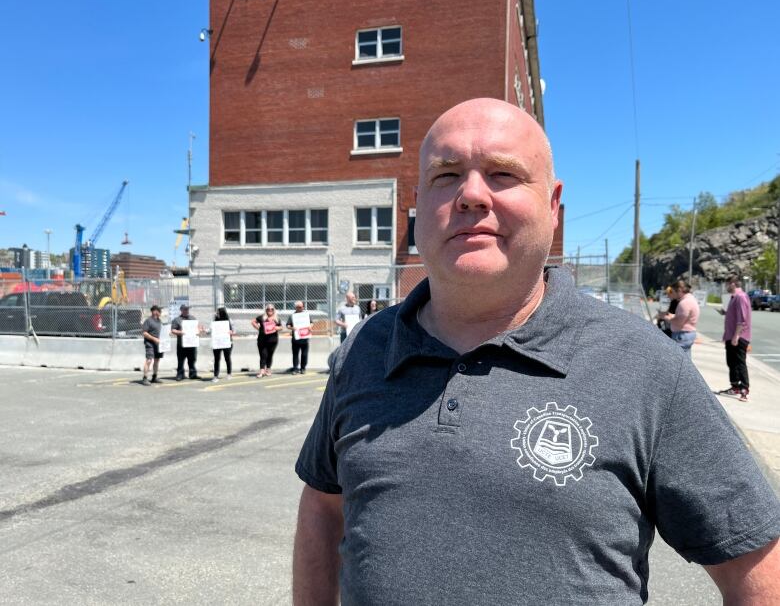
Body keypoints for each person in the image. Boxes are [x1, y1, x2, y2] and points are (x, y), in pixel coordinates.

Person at [293, 99, 780, 605]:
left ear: (552, 205)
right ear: (418, 205)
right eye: (447, 174)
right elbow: (325, 507)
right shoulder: (363, 350)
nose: (471, 194)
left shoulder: (643, 365)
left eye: (503, 173)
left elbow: (756, 569)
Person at [716, 274, 753, 401]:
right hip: (731, 335)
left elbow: (742, 320)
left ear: (733, 283)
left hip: (738, 336)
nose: (726, 286)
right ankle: (735, 386)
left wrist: (736, 336)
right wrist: (725, 312)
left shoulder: (740, 297)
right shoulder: (734, 297)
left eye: (727, 283)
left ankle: (744, 389)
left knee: (739, 363)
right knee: (731, 363)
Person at [662, 279, 699, 354]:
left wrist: (664, 317)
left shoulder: (684, 303)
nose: (673, 294)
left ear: (679, 290)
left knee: (677, 360)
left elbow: (679, 322)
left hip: (682, 335)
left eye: (673, 291)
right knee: (685, 360)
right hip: (686, 334)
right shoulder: (691, 299)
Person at [252, 303, 282, 377]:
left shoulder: (277, 318)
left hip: (273, 340)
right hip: (262, 340)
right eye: (268, 309)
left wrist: (277, 328)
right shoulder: (262, 317)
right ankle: (262, 370)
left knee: (270, 355)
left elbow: (281, 327)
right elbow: (253, 322)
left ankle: (268, 369)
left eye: (272, 309)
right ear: (266, 310)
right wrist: (259, 328)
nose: (270, 310)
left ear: (274, 310)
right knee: (263, 355)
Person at [171, 304, 199, 380]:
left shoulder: (193, 318)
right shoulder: (177, 320)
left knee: (192, 360)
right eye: (185, 309)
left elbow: (197, 329)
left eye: (187, 309)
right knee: (180, 361)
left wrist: (199, 331)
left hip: (192, 344)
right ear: (181, 310)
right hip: (181, 345)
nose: (186, 310)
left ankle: (193, 374)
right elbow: (173, 330)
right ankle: (180, 375)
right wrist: (180, 332)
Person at [210, 307, 234, 382]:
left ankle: (229, 374)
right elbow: (210, 329)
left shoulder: (229, 320)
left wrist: (231, 332)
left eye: (218, 313)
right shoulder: (214, 320)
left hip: (227, 342)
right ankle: (215, 376)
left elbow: (234, 330)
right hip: (217, 343)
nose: (216, 314)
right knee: (216, 359)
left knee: (227, 358)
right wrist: (204, 330)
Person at [141, 305, 163, 385]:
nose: (160, 312)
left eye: (160, 311)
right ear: (154, 311)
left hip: (158, 344)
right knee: (149, 360)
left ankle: (154, 377)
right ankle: (145, 378)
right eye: (159, 311)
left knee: (157, 360)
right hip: (150, 343)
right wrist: (154, 339)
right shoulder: (148, 321)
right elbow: (144, 333)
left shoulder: (160, 321)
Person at [286, 301, 310, 375]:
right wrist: (293, 328)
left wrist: (310, 326)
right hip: (296, 338)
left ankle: (303, 368)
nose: (299, 308)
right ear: (295, 307)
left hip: (305, 338)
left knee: (304, 354)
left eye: (301, 307)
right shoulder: (292, 316)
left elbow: (311, 323)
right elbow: (288, 325)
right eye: (298, 307)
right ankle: (295, 368)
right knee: (295, 354)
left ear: (303, 307)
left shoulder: (306, 315)